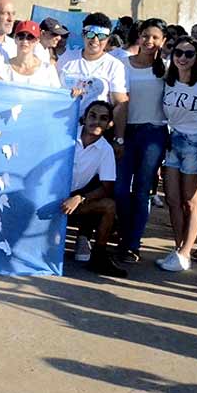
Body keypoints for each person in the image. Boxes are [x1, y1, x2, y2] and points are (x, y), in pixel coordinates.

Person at [115, 18, 169, 262]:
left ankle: (132, 243)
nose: (149, 41)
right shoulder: (121, 64)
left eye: (155, 37)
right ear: (138, 37)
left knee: (142, 190)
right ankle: (122, 234)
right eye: (145, 36)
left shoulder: (168, 69)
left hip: (153, 134)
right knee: (120, 188)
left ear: (163, 41)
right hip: (125, 132)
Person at [157, 36, 197, 271]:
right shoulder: (167, 82)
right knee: (173, 199)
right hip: (173, 140)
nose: (182, 58)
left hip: (196, 142)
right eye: (179, 52)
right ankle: (179, 249)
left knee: (191, 201)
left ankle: (187, 251)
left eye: (189, 54)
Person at [61, 101, 127, 277]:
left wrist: (80, 198)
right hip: (47, 195)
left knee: (109, 205)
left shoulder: (106, 150)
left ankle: (99, 257)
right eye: (93, 116)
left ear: (109, 124)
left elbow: (107, 187)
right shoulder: (63, 135)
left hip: (73, 201)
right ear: (84, 117)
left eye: (103, 118)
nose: (96, 121)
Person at [57, 12, 128, 123]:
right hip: (60, 122)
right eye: (90, 34)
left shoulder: (115, 65)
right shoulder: (66, 58)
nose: (95, 40)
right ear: (83, 34)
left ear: (108, 38)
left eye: (101, 36)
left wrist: (118, 137)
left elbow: (119, 103)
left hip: (94, 129)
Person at [0, 20, 61, 88]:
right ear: (15, 38)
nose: (25, 41)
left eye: (30, 37)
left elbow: (57, 95)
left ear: (37, 41)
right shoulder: (2, 68)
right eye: (21, 36)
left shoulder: (48, 70)